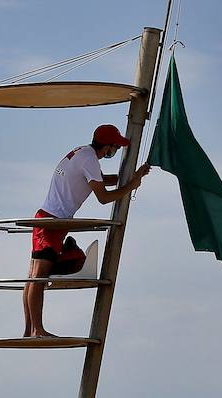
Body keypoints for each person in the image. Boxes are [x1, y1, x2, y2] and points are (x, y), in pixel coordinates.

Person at [23, 124, 150, 337]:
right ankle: (37, 330)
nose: (116, 151)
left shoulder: (83, 152)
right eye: (115, 147)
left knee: (34, 276)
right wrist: (132, 185)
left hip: (48, 219)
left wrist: (131, 176)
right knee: (38, 276)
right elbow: (104, 198)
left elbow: (100, 180)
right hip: (52, 222)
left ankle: (30, 330)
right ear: (107, 147)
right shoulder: (90, 160)